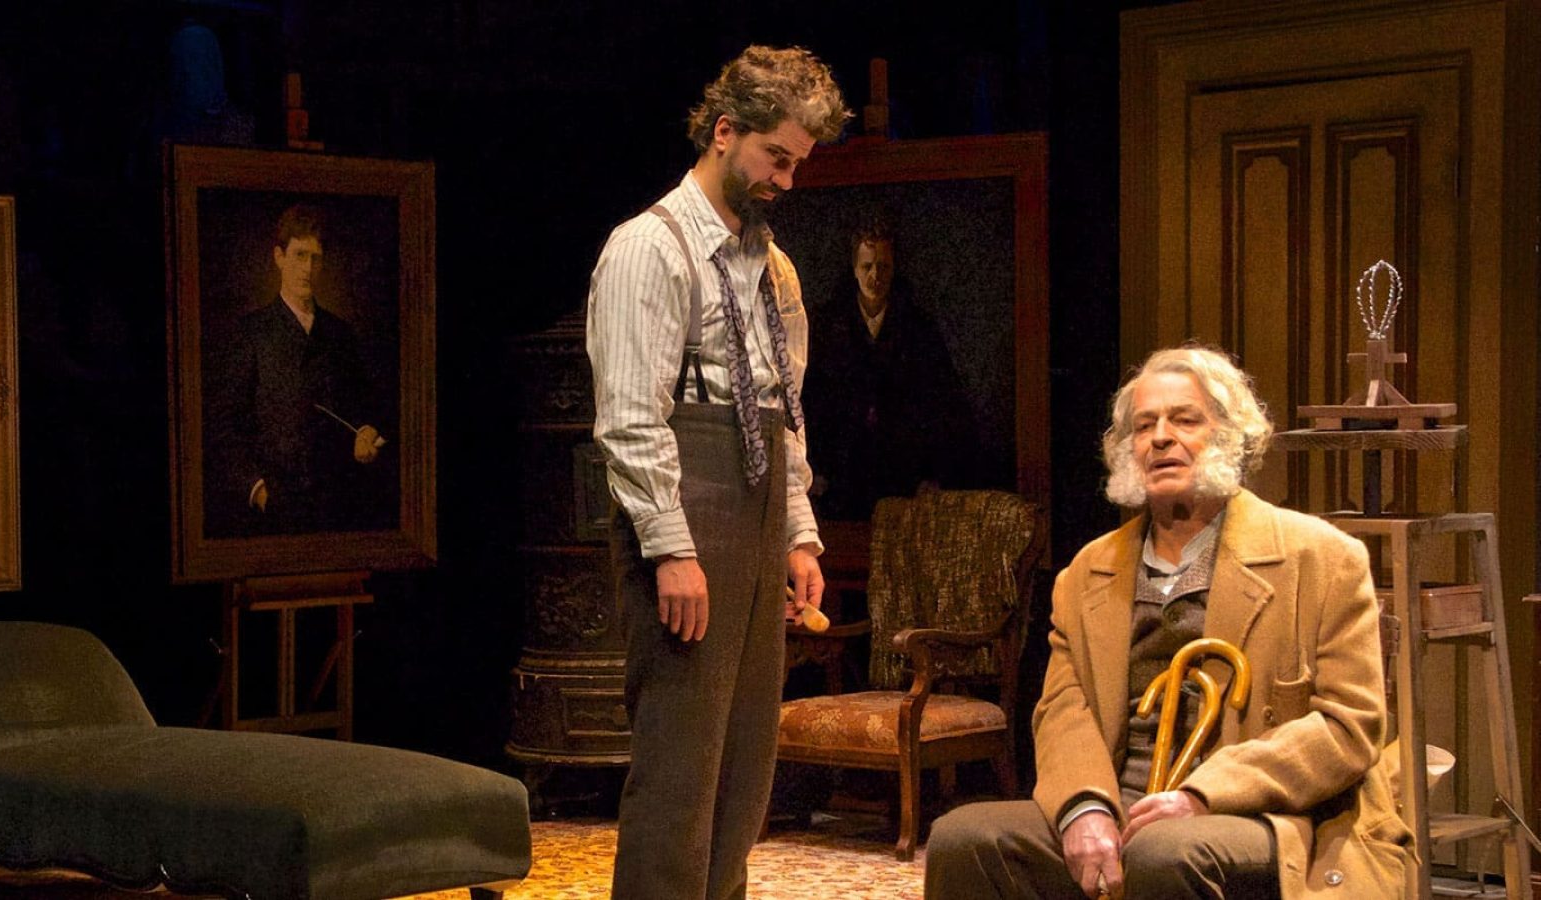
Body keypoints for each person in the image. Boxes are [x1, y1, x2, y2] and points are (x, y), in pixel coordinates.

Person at [924, 345, 1412, 899]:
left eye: (1184, 420)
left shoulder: (1322, 558)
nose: (1160, 437)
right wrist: (1084, 808)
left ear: (1230, 435)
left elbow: (1349, 726)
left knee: (1164, 852)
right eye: (1144, 425)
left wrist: (1202, 796)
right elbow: (1064, 710)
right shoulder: (1086, 572)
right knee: (962, 837)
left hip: (1262, 814)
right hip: (1118, 802)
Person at [585, 45, 849, 899]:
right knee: (680, 772)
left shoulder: (775, 270)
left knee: (744, 768)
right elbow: (630, 418)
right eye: (777, 157)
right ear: (725, 131)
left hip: (759, 501)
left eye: (798, 164)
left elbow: (786, 412)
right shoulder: (648, 249)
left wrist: (799, 535)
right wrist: (671, 549)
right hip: (686, 509)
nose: (787, 180)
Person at [206, 204, 388, 537]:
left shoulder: (340, 334)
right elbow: (223, 427)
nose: (307, 268)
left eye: (315, 258)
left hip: (337, 509)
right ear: (279, 257)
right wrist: (258, 491)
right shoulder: (251, 332)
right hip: (275, 513)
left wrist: (366, 429)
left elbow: (366, 403)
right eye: (299, 255)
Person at [802, 219, 976, 519]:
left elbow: (941, 404)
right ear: (854, 268)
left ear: (894, 269)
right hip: (840, 477)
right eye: (867, 266)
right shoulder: (826, 326)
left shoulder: (918, 329)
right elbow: (809, 400)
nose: (875, 276)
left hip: (901, 476)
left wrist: (932, 473)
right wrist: (812, 468)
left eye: (882, 266)